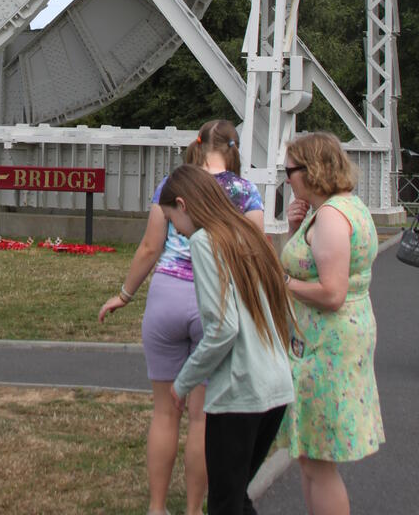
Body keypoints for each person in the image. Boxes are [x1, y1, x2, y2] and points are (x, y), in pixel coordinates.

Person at [98, 121, 263, 515]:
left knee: (164, 410)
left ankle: (156, 508)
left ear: (200, 144)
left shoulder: (173, 184)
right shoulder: (246, 191)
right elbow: (256, 252)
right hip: (215, 302)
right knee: (202, 418)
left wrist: (124, 294)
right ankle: (193, 508)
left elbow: (150, 247)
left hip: (166, 296)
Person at [160, 165, 294, 515]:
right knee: (237, 497)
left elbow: (222, 329)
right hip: (276, 387)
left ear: (183, 204)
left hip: (241, 393)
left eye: (172, 220)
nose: (175, 230)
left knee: (224, 503)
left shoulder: (205, 241)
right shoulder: (245, 235)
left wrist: (182, 383)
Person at [280, 132, 384, 515]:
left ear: (311, 171)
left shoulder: (331, 217)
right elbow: (310, 261)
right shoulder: (344, 207)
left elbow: (331, 292)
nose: (286, 178)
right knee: (312, 455)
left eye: (289, 170)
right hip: (334, 337)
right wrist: (295, 230)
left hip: (328, 344)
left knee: (319, 459)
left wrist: (283, 283)